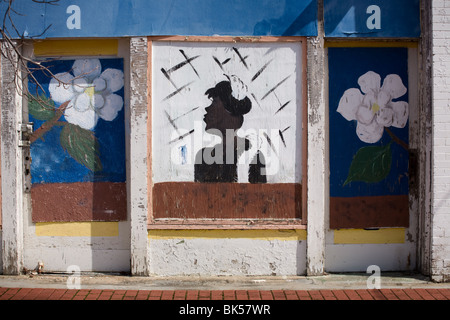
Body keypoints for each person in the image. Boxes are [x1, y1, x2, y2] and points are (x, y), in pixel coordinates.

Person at [194, 76, 266, 183]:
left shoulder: (253, 156)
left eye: (214, 102)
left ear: (230, 114)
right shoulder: (203, 156)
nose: (207, 108)